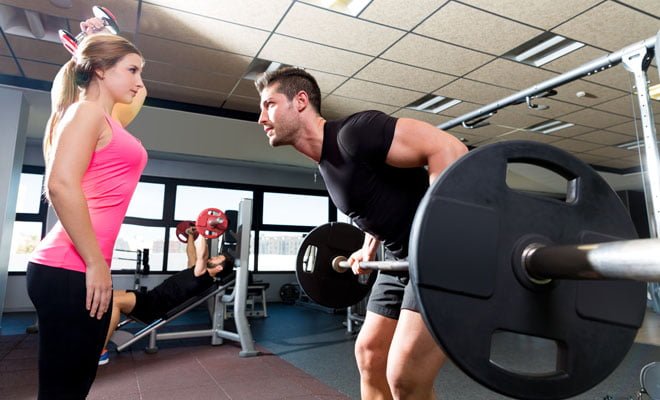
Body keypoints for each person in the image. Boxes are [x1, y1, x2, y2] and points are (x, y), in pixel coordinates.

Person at [255, 67, 468, 399]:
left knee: (406, 377)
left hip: (439, 256)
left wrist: (438, 235)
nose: (261, 118)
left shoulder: (354, 133)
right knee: (369, 354)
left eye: (269, 104)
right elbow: (379, 205)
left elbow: (448, 148)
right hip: (401, 259)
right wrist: (369, 248)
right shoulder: (326, 164)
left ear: (300, 101)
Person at [27, 28, 146, 399]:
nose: (139, 81)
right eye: (132, 70)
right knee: (63, 391)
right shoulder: (84, 111)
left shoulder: (107, 119)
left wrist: (111, 38)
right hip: (71, 266)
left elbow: (136, 92)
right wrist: (95, 263)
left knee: (73, 387)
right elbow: (60, 184)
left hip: (80, 266)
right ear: (99, 70)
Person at [100, 230, 234, 365]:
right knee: (107, 295)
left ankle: (100, 352)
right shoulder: (196, 271)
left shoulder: (204, 278)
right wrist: (191, 236)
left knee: (115, 302)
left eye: (217, 258)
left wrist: (203, 233)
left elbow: (202, 256)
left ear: (218, 268)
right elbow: (192, 254)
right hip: (150, 297)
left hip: (154, 307)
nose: (213, 257)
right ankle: (95, 331)